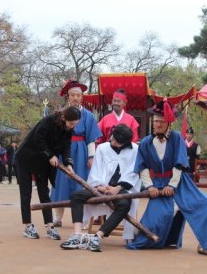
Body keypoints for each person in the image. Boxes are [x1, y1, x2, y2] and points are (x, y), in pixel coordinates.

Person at [127, 99, 207, 257]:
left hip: (181, 183)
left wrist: (172, 186)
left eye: (162, 122)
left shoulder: (177, 138)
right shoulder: (145, 142)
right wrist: (150, 186)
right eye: (156, 121)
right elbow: (142, 166)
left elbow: (179, 163)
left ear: (169, 123)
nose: (158, 125)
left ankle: (205, 245)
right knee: (154, 223)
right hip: (157, 184)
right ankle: (163, 239)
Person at [60, 124, 141, 252]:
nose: (112, 141)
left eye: (116, 141)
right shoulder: (103, 148)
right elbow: (95, 170)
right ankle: (77, 235)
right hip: (100, 187)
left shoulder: (135, 150)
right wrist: (100, 187)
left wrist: (117, 188)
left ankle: (97, 237)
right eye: (112, 138)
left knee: (125, 203)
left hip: (122, 189)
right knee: (77, 196)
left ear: (125, 143)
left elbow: (133, 172)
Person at [16, 105, 81, 240]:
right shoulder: (48, 121)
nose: (72, 126)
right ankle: (28, 226)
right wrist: (50, 155)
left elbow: (66, 146)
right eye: (71, 123)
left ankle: (50, 226)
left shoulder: (69, 129)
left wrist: (69, 163)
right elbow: (38, 139)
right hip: (26, 158)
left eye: (75, 124)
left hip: (43, 162)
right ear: (64, 118)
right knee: (26, 193)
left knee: (44, 192)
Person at [51, 80, 102, 227]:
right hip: (62, 152)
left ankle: (84, 219)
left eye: (78, 95)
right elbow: (54, 136)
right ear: (68, 96)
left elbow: (91, 138)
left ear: (82, 97)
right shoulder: (60, 114)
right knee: (60, 183)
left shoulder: (88, 116)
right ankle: (57, 217)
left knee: (82, 184)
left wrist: (91, 157)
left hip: (81, 153)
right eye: (72, 95)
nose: (75, 98)